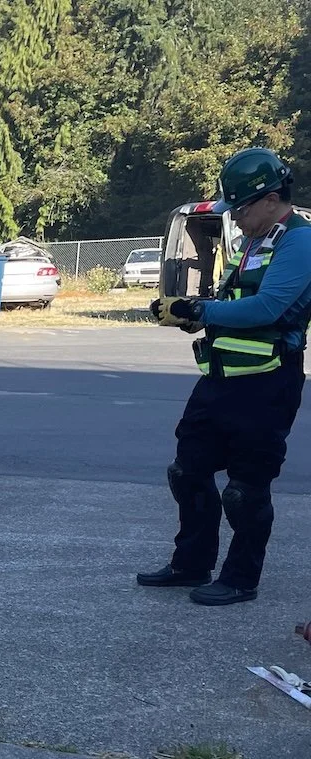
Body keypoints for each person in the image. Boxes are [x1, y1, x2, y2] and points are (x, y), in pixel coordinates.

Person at [138, 147, 311, 605]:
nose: (233, 217)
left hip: (268, 383)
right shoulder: (255, 241)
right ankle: (190, 563)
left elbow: (269, 307)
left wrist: (203, 307)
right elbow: (236, 305)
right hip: (219, 378)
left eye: (240, 207)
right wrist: (193, 318)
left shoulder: (300, 242)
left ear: (271, 199)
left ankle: (240, 578)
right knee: (186, 471)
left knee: (244, 490)